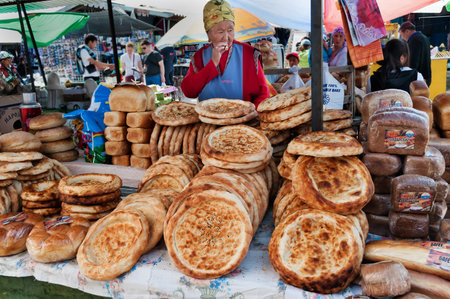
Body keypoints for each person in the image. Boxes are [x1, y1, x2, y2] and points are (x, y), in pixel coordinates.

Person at [181, 0, 269, 108]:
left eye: (230, 30)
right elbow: (189, 92)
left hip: (243, 120)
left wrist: (251, 115)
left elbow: (263, 93)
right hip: (209, 121)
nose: (226, 37)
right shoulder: (199, 57)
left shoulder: (249, 54)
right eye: (220, 32)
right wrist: (213, 63)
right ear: (208, 35)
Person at [399, 21, 431, 86]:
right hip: (426, 76)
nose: (402, 38)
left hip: (418, 78)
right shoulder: (424, 37)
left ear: (407, 31)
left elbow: (413, 61)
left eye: (402, 35)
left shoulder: (414, 40)